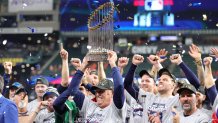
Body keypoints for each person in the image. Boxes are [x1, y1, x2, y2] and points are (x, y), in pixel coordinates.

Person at [55, 51, 127, 122]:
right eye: (97, 91)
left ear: (112, 94)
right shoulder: (89, 105)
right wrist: (83, 65)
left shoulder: (116, 109)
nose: (98, 94)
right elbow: (72, 90)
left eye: (102, 91)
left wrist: (112, 63)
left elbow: (119, 86)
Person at [124, 54, 180, 123]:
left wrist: (180, 63)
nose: (161, 81)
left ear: (173, 85)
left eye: (165, 80)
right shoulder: (147, 97)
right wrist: (134, 65)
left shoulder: (177, 100)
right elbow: (127, 85)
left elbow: (195, 85)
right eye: (159, 80)